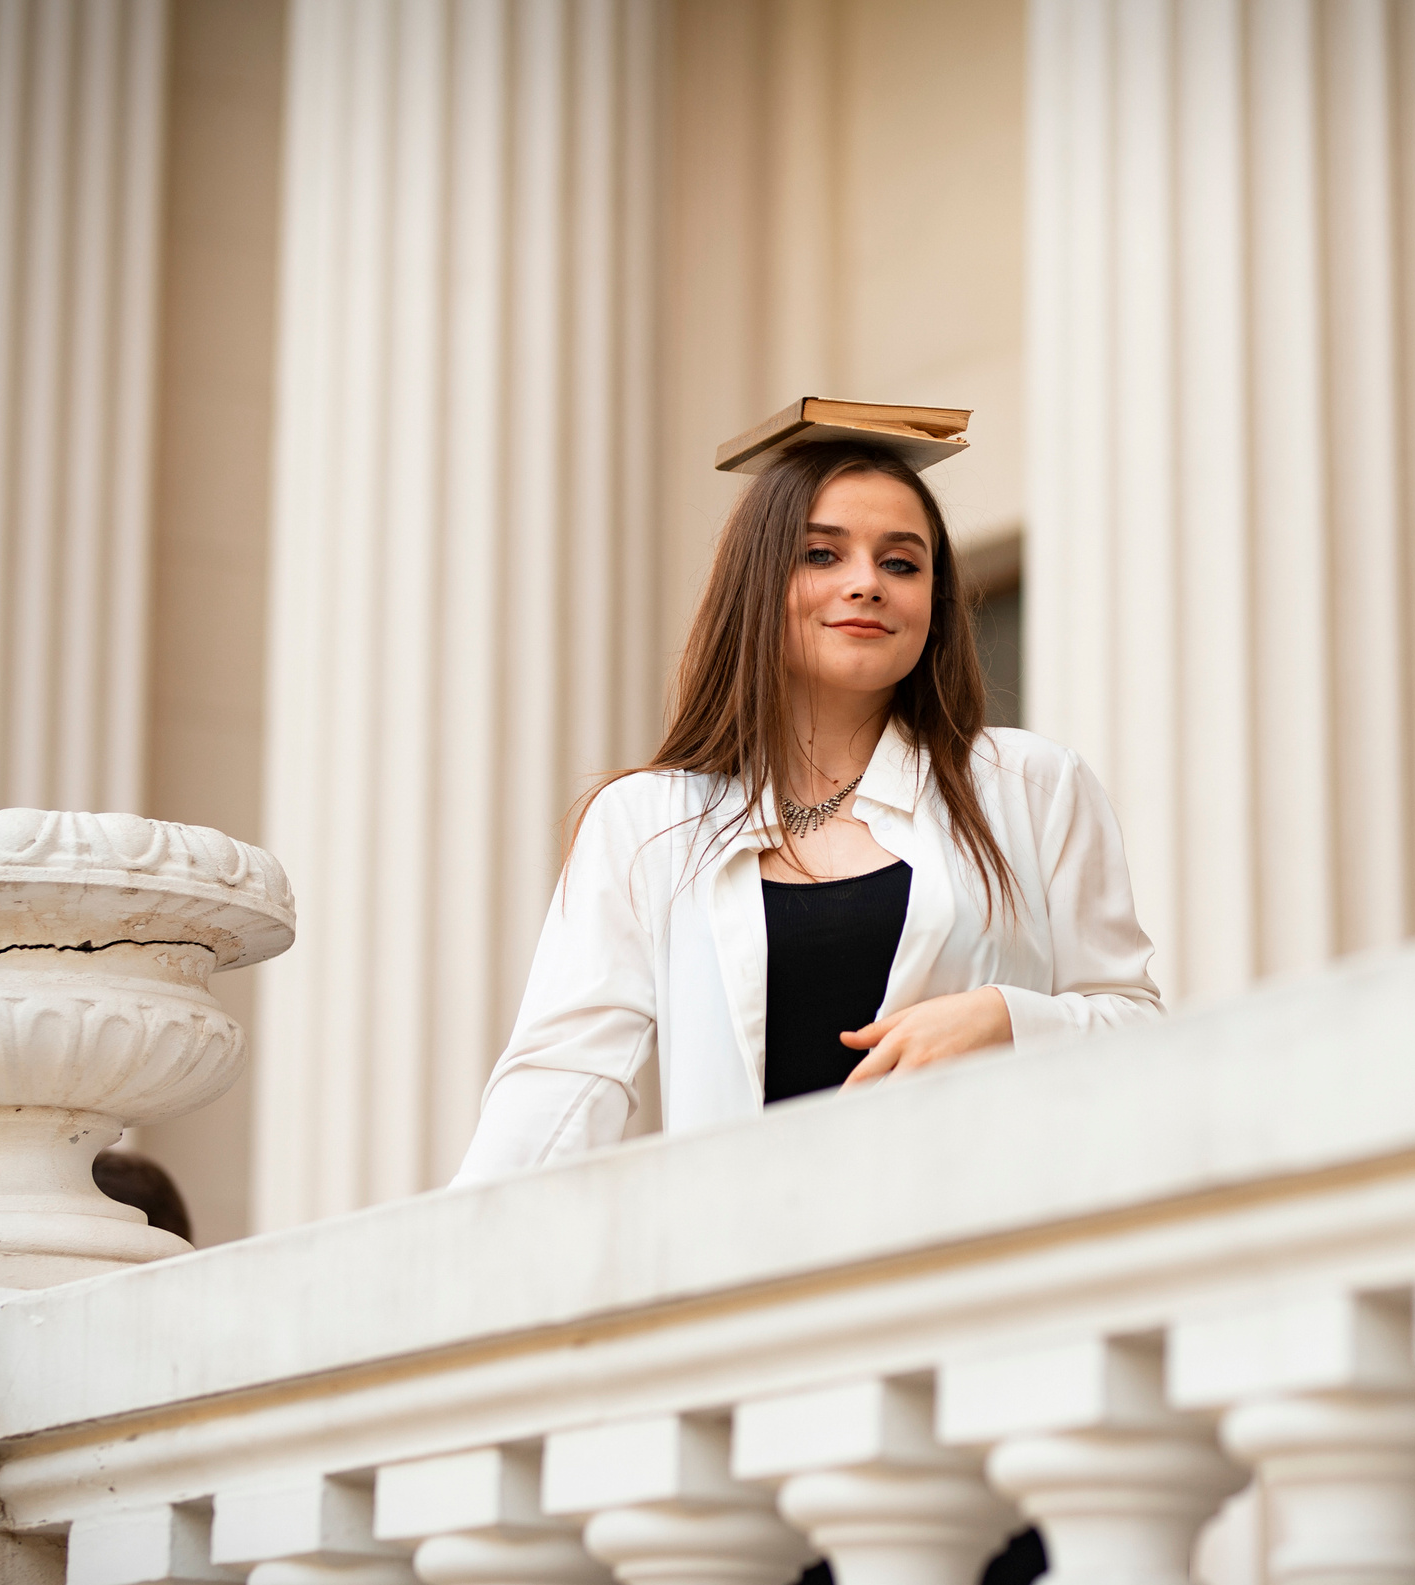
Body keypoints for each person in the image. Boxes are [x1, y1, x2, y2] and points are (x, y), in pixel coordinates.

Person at [453, 428, 1163, 1178]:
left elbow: (1138, 1029)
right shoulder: (647, 822)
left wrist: (1004, 1018)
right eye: (822, 554)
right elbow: (563, 1078)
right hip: (751, 1239)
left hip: (981, 1232)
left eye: (901, 563)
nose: (867, 583)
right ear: (757, 583)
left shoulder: (1031, 784)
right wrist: (467, 1233)